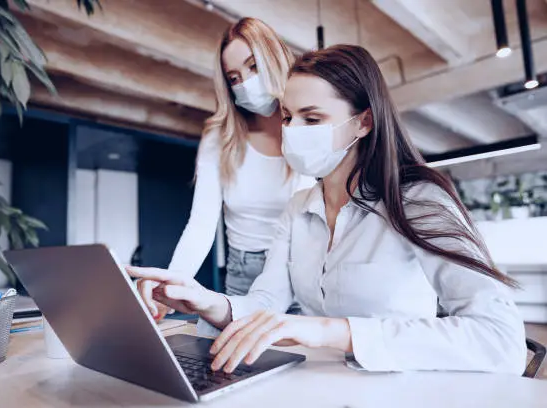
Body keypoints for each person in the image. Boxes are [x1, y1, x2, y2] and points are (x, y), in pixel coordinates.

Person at [128, 44, 527, 375]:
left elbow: (501, 340)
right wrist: (212, 303)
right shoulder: (298, 208)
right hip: (323, 385)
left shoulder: (420, 201)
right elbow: (267, 301)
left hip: (401, 387)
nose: (292, 132)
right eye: (287, 117)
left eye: (312, 118)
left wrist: (328, 330)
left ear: (363, 122)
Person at [135, 18, 314, 321]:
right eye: (234, 77)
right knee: (236, 362)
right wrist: (172, 284)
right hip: (245, 272)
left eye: (253, 66)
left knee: (308, 363)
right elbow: (202, 223)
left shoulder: (311, 125)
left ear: (275, 58)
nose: (245, 83)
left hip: (305, 267)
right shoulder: (221, 137)